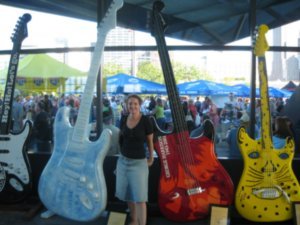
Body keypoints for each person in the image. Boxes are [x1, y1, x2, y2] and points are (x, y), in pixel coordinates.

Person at [116, 94, 154, 225]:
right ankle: (133, 220)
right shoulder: (124, 118)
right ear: (126, 105)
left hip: (139, 163)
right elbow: (121, 138)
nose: (132, 106)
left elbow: (150, 142)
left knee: (140, 198)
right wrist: (121, 153)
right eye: (130, 103)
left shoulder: (146, 120)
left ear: (140, 105)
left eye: (135, 103)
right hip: (123, 161)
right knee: (128, 195)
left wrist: (151, 158)